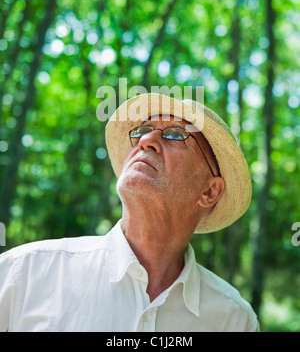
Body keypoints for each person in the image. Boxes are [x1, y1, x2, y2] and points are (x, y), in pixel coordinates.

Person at [0, 93, 259, 332]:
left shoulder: (234, 319)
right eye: (143, 131)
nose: (146, 140)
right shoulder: (23, 274)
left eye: (175, 135)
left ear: (210, 192)